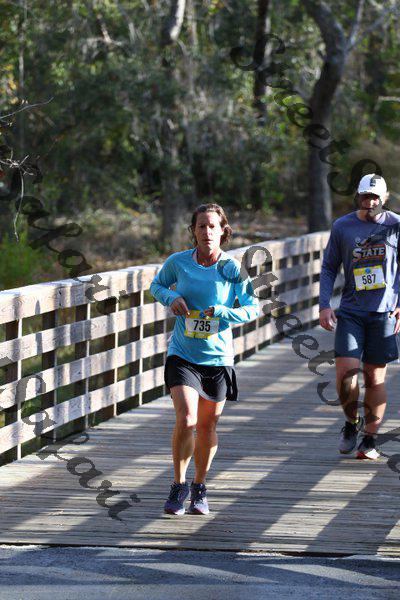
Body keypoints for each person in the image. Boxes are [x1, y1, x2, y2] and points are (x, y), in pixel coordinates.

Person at [150, 203, 259, 515]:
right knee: (187, 419)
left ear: (223, 231)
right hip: (183, 353)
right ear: (193, 231)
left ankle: (199, 486)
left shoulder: (232, 268)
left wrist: (224, 312)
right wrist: (172, 297)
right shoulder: (179, 262)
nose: (207, 232)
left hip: (218, 357)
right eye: (201, 226)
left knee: (208, 425)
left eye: (213, 226)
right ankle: (178, 484)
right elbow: (156, 286)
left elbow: (252, 307)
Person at [319, 174, 400, 460]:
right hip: (351, 311)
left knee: (375, 379)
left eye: (375, 197)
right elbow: (329, 266)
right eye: (366, 196)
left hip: (383, 313)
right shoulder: (343, 226)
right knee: (346, 376)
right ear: (358, 196)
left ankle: (370, 440)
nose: (370, 202)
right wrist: (324, 304)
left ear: (384, 198)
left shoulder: (396, 225)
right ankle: (351, 422)